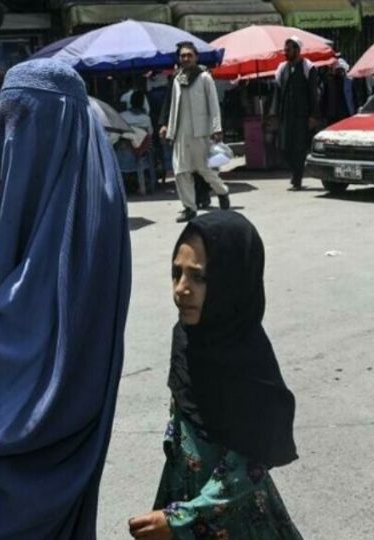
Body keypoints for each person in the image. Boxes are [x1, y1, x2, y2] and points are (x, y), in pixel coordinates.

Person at [0, 59, 131, 539]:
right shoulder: (89, 179)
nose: (16, 140)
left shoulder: (86, 206)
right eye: (7, 122)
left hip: (47, 411)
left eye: (26, 121)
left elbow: (34, 313)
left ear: (59, 121)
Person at [127, 212, 302, 540]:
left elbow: (247, 467)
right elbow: (181, 428)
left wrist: (181, 521)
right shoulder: (186, 339)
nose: (182, 289)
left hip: (234, 518)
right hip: (184, 502)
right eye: (176, 273)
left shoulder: (250, 367)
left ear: (230, 282)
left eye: (199, 277)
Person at [160, 42, 231, 222]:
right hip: (181, 132)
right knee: (180, 171)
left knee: (203, 169)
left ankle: (222, 192)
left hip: (201, 131)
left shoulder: (205, 78)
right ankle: (189, 208)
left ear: (196, 57)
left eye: (189, 55)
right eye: (183, 56)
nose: (185, 58)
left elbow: (214, 104)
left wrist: (217, 128)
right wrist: (168, 127)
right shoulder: (177, 80)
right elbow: (172, 106)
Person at [273, 36, 320, 191]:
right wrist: (275, 114)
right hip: (286, 115)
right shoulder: (281, 69)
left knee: (299, 148)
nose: (285, 53)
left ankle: (297, 179)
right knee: (284, 147)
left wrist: (313, 115)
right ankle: (296, 172)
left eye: (288, 50)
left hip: (302, 116)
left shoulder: (308, 67)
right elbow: (278, 93)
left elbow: (313, 93)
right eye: (285, 50)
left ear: (297, 50)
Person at [321, 59, 355, 127]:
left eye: (341, 69)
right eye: (338, 70)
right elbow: (325, 98)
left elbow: (354, 97)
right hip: (333, 114)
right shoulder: (329, 82)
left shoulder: (349, 82)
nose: (340, 72)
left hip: (346, 113)